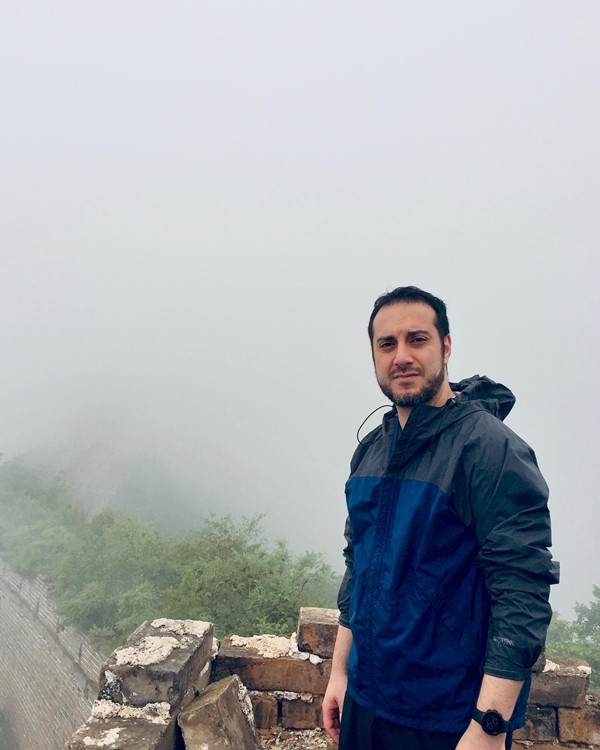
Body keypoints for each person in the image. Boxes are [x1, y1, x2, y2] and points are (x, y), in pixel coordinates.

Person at [323, 286, 559, 750]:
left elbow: (521, 588)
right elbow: (358, 566)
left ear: (445, 346)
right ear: (374, 356)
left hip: (448, 718)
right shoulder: (370, 452)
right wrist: (339, 674)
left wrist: (489, 726)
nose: (401, 356)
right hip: (366, 702)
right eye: (387, 344)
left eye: (417, 339)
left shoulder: (487, 448)